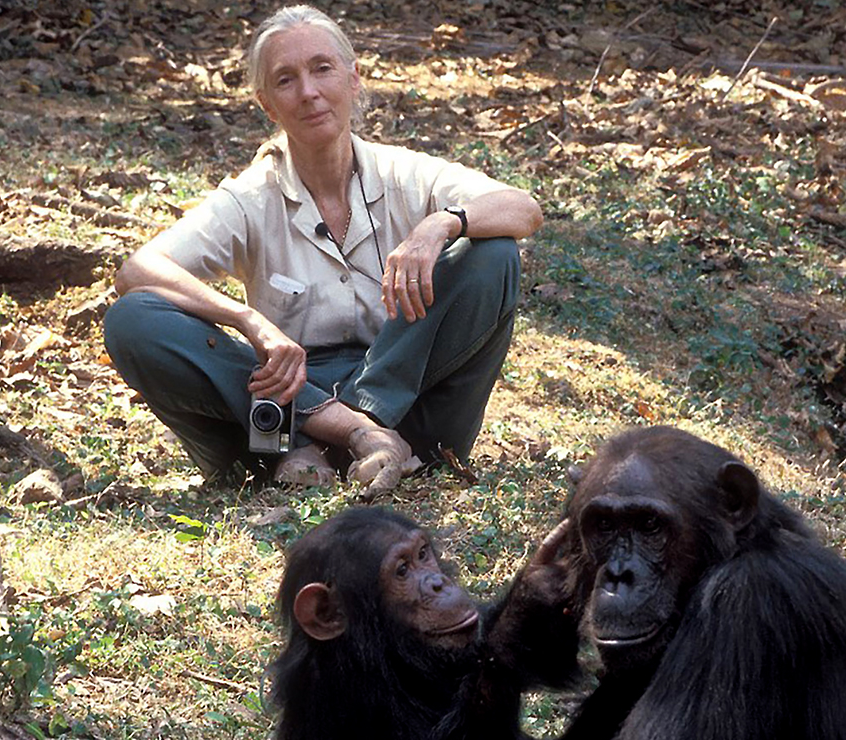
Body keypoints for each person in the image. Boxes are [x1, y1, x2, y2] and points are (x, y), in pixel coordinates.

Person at [103, 4, 542, 493]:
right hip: (277, 424)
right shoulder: (251, 198)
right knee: (134, 319)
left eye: (322, 68)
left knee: (493, 253)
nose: (309, 92)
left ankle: (374, 433)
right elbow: (138, 269)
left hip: (412, 414)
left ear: (354, 79)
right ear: (268, 104)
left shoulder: (405, 173)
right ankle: (344, 436)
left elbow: (523, 208)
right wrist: (248, 321)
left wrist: (440, 225)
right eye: (286, 79)